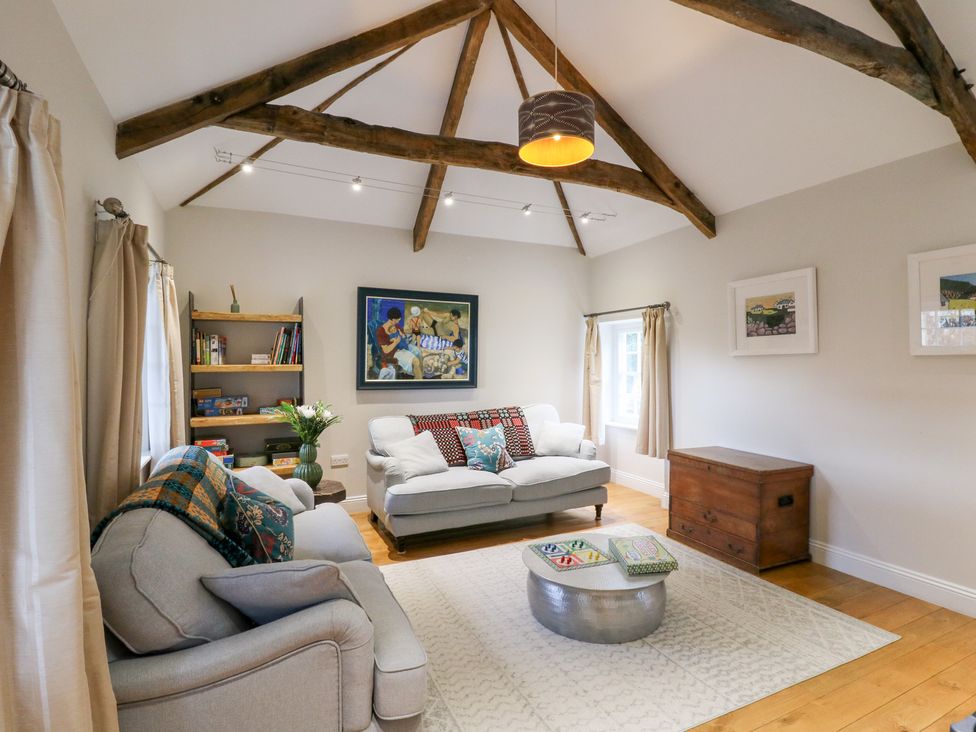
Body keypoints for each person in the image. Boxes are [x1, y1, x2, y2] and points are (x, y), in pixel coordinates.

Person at [374, 307, 421, 379]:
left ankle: (416, 373)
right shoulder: (381, 331)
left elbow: (404, 337)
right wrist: (396, 342)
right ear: (393, 320)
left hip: (403, 346)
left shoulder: (396, 326)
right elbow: (386, 350)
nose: (398, 322)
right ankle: (418, 379)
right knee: (416, 361)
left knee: (417, 351)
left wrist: (403, 336)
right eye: (397, 320)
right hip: (394, 352)